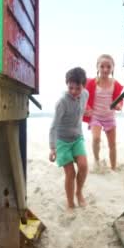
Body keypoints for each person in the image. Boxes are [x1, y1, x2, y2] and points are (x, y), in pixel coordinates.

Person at [49, 67, 90, 208]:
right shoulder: (62, 102)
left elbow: (81, 112)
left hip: (78, 137)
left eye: (77, 88)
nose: (73, 91)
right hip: (62, 141)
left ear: (83, 86)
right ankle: (70, 203)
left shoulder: (86, 94)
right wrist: (52, 148)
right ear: (67, 84)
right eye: (70, 87)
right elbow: (54, 126)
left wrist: (90, 119)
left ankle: (79, 193)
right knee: (70, 173)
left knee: (83, 166)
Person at [83, 54, 124, 171]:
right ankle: (96, 160)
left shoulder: (115, 83)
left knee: (112, 144)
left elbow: (120, 98)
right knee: (96, 139)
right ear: (97, 67)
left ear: (112, 68)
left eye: (108, 66)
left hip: (109, 117)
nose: (105, 69)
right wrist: (86, 108)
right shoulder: (91, 82)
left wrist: (119, 105)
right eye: (102, 66)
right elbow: (83, 96)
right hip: (95, 116)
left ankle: (113, 167)